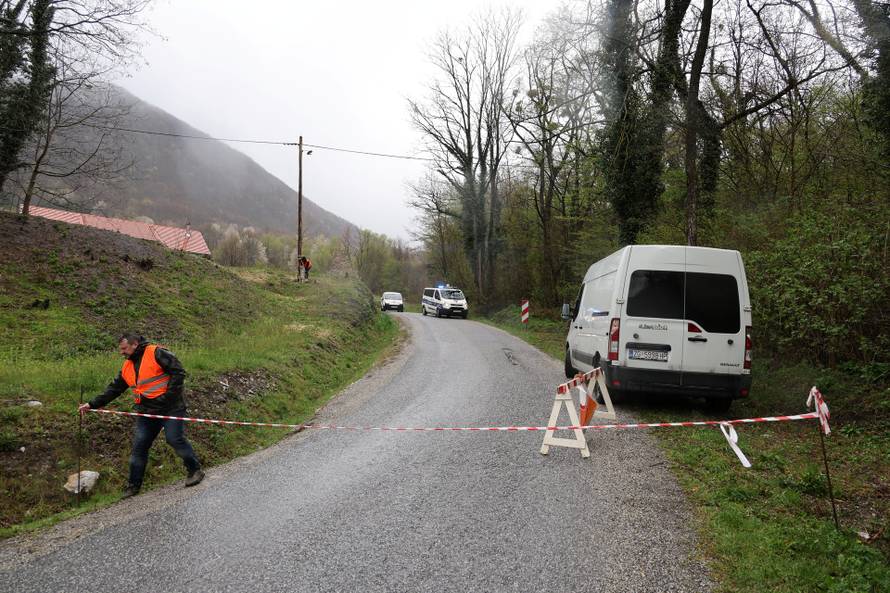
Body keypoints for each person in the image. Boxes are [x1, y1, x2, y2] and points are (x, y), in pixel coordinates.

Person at [79, 334, 204, 498]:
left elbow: (178, 372)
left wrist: (167, 398)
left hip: (171, 408)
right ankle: (133, 486)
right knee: (139, 446)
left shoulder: (156, 353)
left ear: (134, 344)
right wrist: (92, 404)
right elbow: (115, 389)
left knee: (174, 438)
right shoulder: (127, 366)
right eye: (120, 349)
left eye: (124, 349)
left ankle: (195, 470)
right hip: (146, 412)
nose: (121, 353)